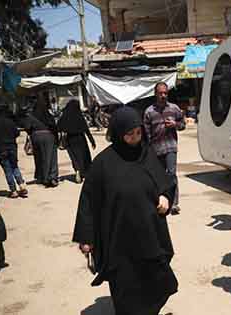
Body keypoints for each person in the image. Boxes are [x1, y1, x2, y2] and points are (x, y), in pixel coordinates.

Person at [72, 107, 178, 315]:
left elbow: (163, 181)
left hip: (149, 234)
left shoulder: (147, 154)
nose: (135, 138)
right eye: (130, 134)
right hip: (119, 239)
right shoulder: (103, 163)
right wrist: (86, 237)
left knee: (156, 281)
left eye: (138, 133)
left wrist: (165, 196)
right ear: (118, 133)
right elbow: (88, 201)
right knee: (125, 287)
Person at [144, 82, 185, 214]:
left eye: (165, 93)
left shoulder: (174, 108)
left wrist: (175, 124)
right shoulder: (149, 112)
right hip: (156, 149)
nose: (163, 95)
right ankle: (161, 201)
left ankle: (174, 203)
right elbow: (146, 133)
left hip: (171, 147)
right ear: (155, 94)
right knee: (158, 176)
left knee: (171, 174)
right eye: (160, 93)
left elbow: (183, 124)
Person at [0, 105, 28, 198]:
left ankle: (13, 191)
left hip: (1, 148)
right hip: (12, 147)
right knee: (14, 166)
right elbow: (17, 133)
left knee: (7, 170)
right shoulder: (10, 121)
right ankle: (22, 185)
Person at [58, 100, 97, 183]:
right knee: (83, 156)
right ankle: (85, 173)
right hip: (81, 139)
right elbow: (86, 129)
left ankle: (77, 170)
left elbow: (59, 127)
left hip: (70, 139)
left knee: (74, 157)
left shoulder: (65, 115)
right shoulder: (79, 115)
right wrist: (92, 141)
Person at [22, 102, 60, 188]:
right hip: (49, 136)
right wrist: (57, 140)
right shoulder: (48, 116)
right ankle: (52, 177)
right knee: (51, 157)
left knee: (39, 157)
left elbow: (27, 127)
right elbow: (54, 127)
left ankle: (41, 177)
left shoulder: (31, 116)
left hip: (36, 137)